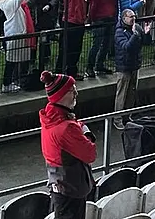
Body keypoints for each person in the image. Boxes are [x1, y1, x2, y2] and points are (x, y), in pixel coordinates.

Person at [39, 70, 96, 219]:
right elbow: (90, 153)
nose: (76, 93)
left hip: (61, 187)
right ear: (61, 96)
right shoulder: (67, 128)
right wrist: (85, 131)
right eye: (72, 90)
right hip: (72, 188)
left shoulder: (51, 118)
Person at [114, 8, 150, 130]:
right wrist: (135, 35)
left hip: (135, 65)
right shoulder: (119, 32)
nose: (133, 19)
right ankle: (117, 119)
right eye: (130, 17)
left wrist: (146, 33)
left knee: (132, 93)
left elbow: (145, 43)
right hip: (124, 67)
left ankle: (126, 116)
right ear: (124, 18)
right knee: (122, 94)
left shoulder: (137, 28)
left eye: (134, 16)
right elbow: (126, 47)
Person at [0, 0, 34, 93]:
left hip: (21, 34)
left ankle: (18, 81)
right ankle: (6, 84)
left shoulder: (16, 4)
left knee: (21, 60)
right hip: (14, 35)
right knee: (11, 62)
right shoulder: (9, 4)